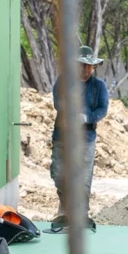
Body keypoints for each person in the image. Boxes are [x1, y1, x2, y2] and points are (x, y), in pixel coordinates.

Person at [49, 45, 109, 229]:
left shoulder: (99, 86)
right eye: (82, 65)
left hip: (86, 138)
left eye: (89, 66)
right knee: (59, 174)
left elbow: (102, 109)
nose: (86, 70)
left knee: (83, 178)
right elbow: (58, 101)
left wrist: (86, 117)